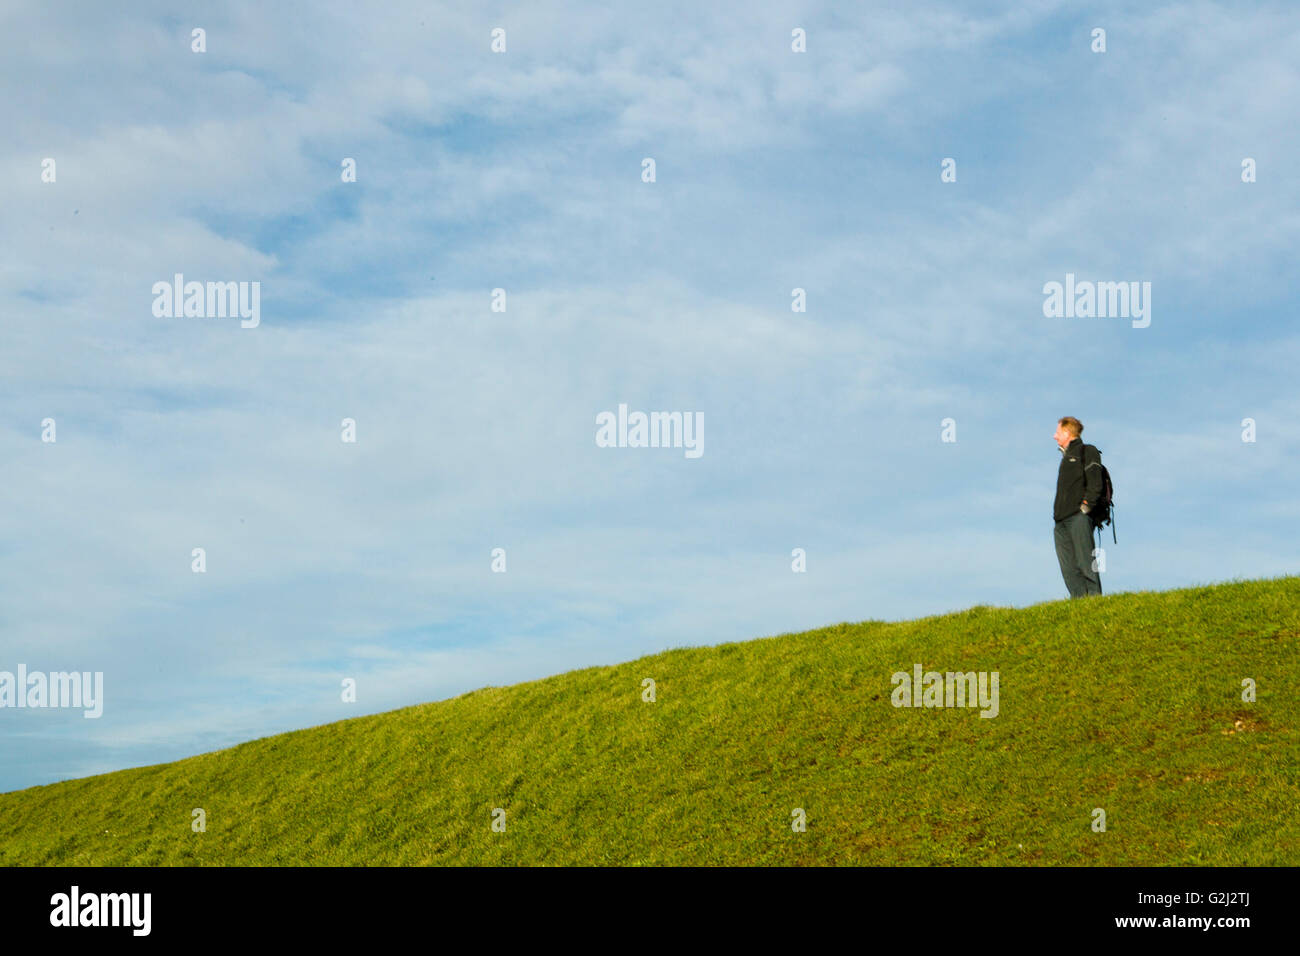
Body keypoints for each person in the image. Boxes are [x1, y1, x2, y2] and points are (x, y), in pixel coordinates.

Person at [1052, 416, 1103, 598]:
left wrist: (1085, 508)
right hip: (1060, 522)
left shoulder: (1087, 451)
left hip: (1078, 517)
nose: (1054, 436)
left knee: (1085, 561)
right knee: (1068, 567)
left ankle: (1095, 599)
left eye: (1057, 432)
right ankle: (1080, 602)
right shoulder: (1065, 458)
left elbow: (1095, 483)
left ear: (1066, 432)